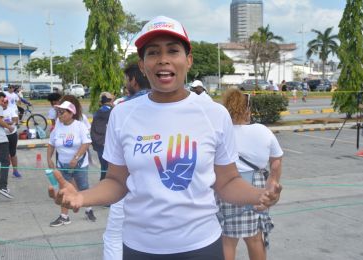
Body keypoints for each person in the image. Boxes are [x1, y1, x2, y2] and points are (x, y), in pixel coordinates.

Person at [48, 15, 281, 259]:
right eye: (153, 53)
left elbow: (227, 182)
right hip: (140, 247)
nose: (163, 60)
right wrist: (81, 197)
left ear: (188, 60)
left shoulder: (214, 113)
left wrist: (259, 195)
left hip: (202, 244)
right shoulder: (123, 114)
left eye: (173, 51)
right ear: (142, 64)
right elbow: (116, 181)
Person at [217, 88, 283, 260]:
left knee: (227, 240)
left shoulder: (220, 132)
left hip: (226, 185)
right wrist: (271, 186)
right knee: (255, 239)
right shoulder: (262, 131)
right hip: (256, 187)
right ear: (247, 109)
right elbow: (276, 163)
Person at [103, 64, 151, 260]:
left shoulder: (123, 109)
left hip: (128, 188)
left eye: (126, 80)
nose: (125, 84)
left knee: (113, 236)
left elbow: (114, 170)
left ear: (134, 80)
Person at [47, 100, 95, 226]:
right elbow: (51, 144)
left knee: (83, 187)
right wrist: (48, 159)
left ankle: (89, 209)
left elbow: (86, 143)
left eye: (62, 112)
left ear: (71, 113)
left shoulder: (80, 126)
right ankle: (64, 217)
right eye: (58, 112)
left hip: (79, 164)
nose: (59, 115)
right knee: (64, 189)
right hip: (62, 165)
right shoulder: (58, 127)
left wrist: (76, 157)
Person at [91, 92, 115, 181]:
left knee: (104, 169)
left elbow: (93, 130)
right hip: (110, 145)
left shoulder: (97, 113)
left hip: (100, 144)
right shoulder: (114, 111)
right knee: (110, 169)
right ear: (111, 101)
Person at [2, 97, 21, 178]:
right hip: (2, 135)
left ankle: (15, 171)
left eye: (6, 102)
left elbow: (15, 119)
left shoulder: (11, 109)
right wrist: (7, 122)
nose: (4, 103)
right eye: (2, 102)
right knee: (4, 154)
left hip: (12, 134)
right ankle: (4, 172)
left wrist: (8, 122)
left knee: (13, 153)